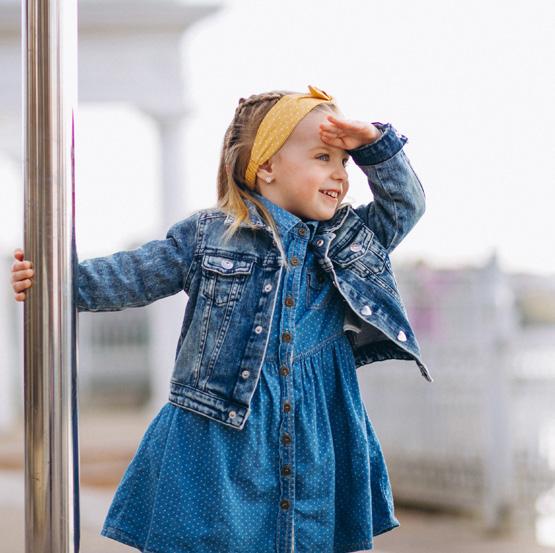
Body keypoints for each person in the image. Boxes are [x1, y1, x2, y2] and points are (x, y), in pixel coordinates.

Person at [11, 84, 432, 553]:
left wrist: (375, 142)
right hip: (220, 437)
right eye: (322, 157)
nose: (340, 176)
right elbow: (134, 274)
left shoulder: (347, 240)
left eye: (343, 162)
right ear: (266, 166)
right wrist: (55, 282)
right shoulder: (212, 235)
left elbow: (405, 204)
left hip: (316, 433)